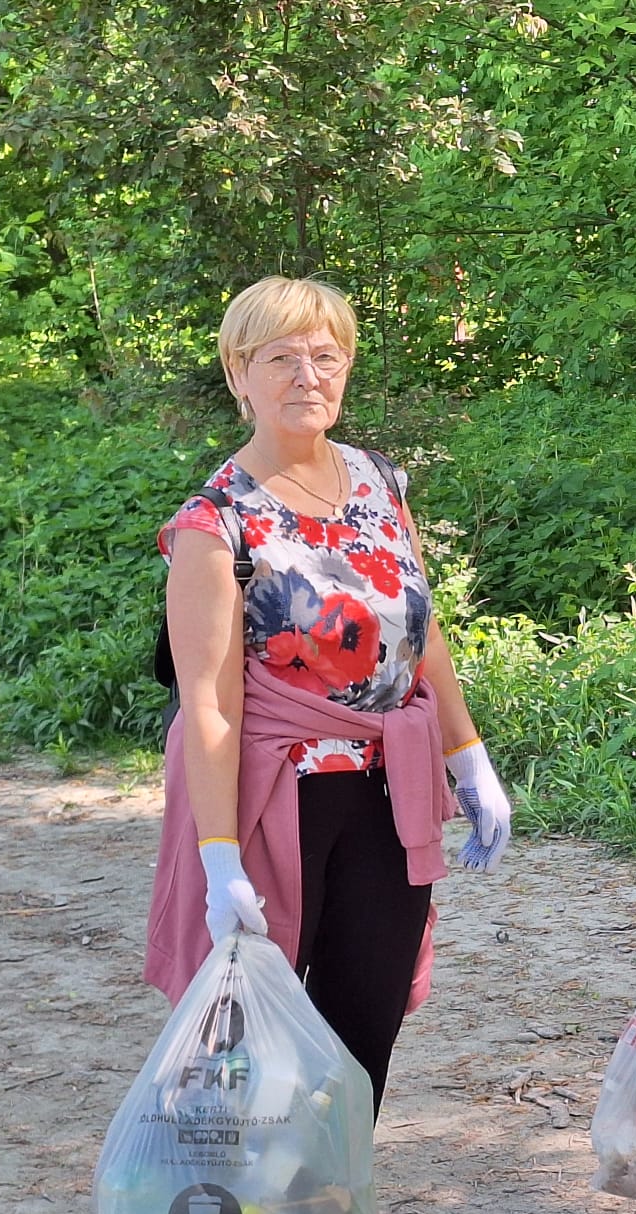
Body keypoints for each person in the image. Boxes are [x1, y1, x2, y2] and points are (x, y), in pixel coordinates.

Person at [144, 275, 512, 1132]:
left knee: (364, 1027)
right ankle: (244, 1205)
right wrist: (219, 859)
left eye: (326, 355)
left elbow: (421, 630)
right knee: (253, 1039)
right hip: (280, 797)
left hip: (389, 791)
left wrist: (468, 757)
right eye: (281, 358)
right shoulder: (215, 522)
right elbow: (210, 706)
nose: (308, 376)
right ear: (239, 374)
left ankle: (335, 1199)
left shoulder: (379, 480)